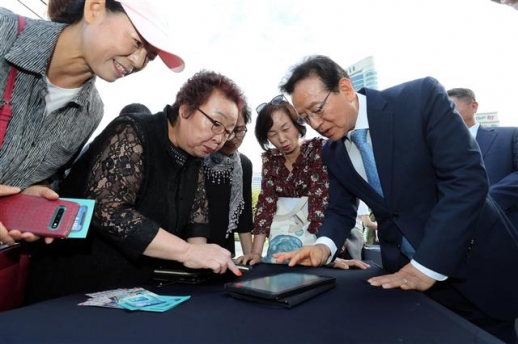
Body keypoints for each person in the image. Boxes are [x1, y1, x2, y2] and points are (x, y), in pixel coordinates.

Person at [275, 55, 518, 343]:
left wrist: (426, 266)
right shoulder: (332, 152)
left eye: (317, 109)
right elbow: (341, 210)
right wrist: (323, 246)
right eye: (305, 118)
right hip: (402, 280)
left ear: (346, 88)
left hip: (475, 269)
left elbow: (467, 182)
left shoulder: (419, 99)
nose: (315, 123)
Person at [25, 70, 244, 304]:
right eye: (216, 124)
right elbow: (109, 210)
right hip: (74, 283)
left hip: (131, 288)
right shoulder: (132, 130)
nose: (220, 139)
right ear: (185, 109)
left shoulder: (194, 158)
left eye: (228, 131)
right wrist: (188, 253)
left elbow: (196, 220)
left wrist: (206, 259)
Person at [0, 0, 184, 245]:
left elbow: (40, 176)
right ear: (94, 8)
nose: (139, 62)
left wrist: (32, 194)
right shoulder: (4, 31)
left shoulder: (91, 113)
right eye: (136, 42)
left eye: (149, 57)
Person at [237, 95, 368, 271]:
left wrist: (326, 254)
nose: (281, 139)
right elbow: (265, 207)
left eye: (285, 128)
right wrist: (256, 252)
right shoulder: (271, 160)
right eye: (273, 134)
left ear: (298, 125)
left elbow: (320, 203)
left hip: (323, 240)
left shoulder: (320, 150)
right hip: (285, 246)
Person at [448, 88, 518, 231]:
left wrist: (483, 203)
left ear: (474, 106)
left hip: (503, 228)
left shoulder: (510, 135)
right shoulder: (436, 147)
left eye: (451, 105)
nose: (445, 112)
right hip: (456, 234)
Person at [204, 104, 254, 257]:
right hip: (191, 250)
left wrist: (251, 259)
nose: (232, 138)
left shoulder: (244, 165)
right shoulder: (196, 160)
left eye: (239, 130)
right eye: (228, 130)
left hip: (225, 253)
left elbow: (244, 218)